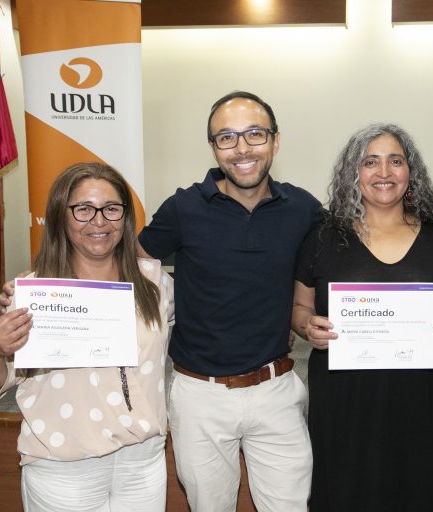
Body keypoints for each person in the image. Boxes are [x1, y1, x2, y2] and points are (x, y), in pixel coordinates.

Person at [137, 91, 321, 511]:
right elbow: (127, 264)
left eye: (255, 134)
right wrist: (41, 290)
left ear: (276, 141)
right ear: (212, 147)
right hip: (201, 395)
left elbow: (355, 246)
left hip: (276, 389)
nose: (242, 148)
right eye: (227, 137)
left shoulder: (303, 208)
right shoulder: (184, 207)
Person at [291, 124, 433, 511]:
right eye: (370, 162)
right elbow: (300, 308)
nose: (384, 172)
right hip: (344, 397)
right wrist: (308, 327)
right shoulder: (324, 236)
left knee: (414, 487)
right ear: (353, 173)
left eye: (396, 161)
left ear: (411, 172)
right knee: (342, 487)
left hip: (418, 396)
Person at [0, 162, 175, 511]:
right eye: (83, 209)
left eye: (111, 209)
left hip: (143, 464)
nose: (99, 221)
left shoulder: (155, 284)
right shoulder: (33, 293)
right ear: (60, 216)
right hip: (63, 468)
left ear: (125, 217)